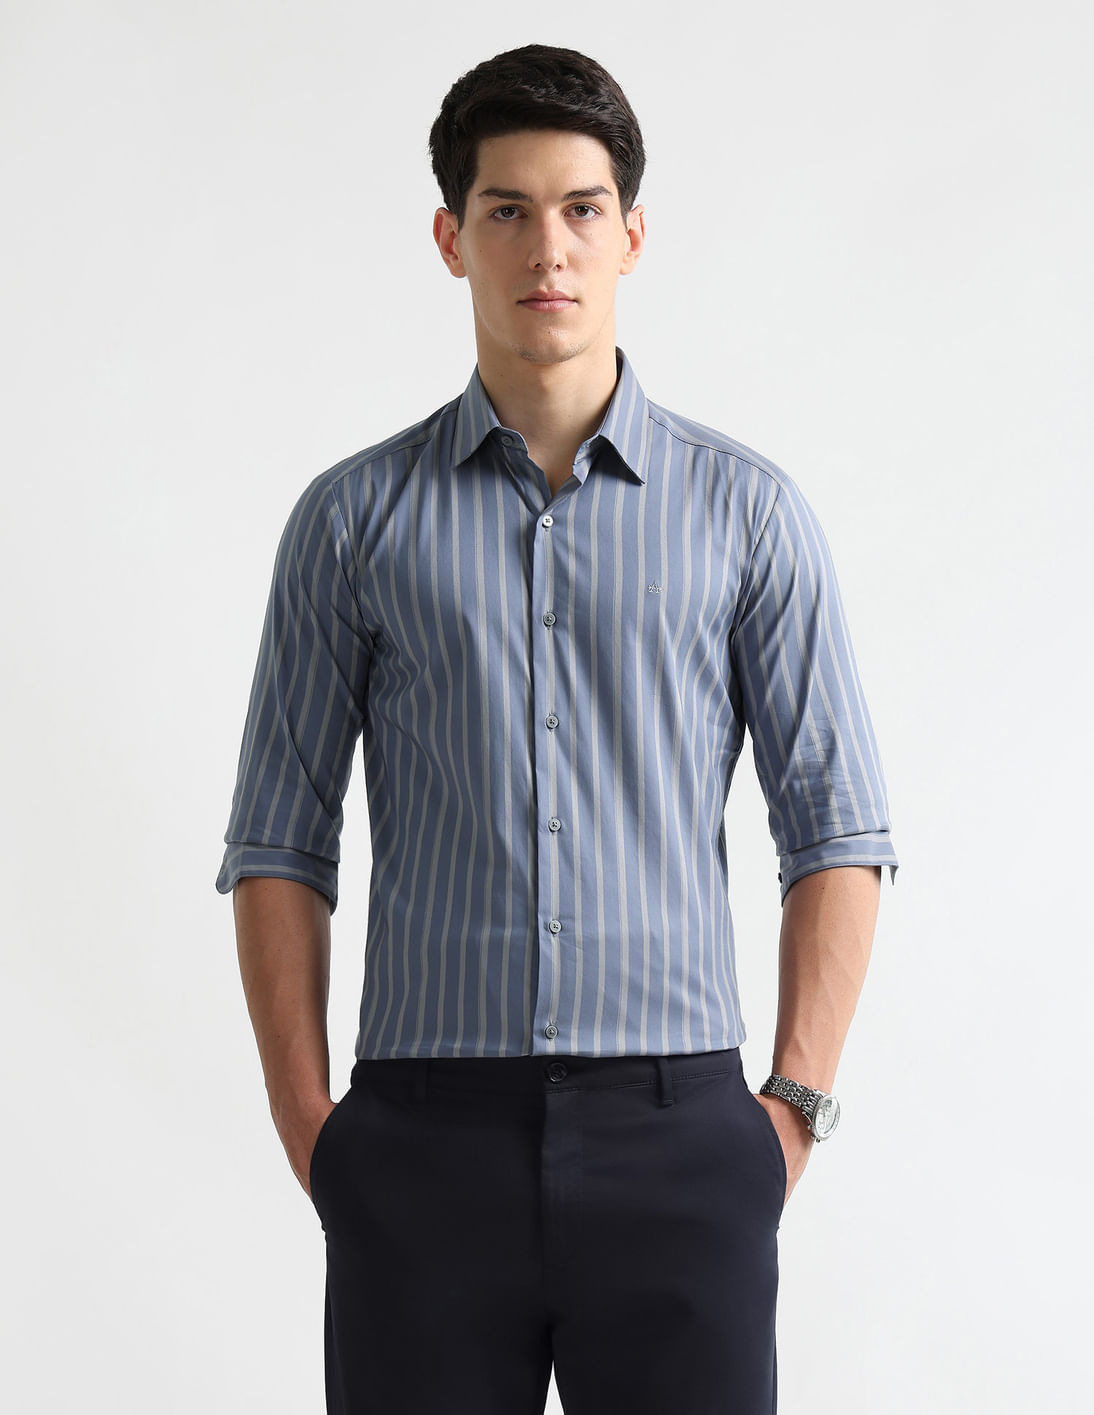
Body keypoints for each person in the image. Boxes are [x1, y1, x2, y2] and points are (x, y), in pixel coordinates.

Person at [215, 42, 899, 1415]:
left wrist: (789, 1112)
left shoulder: (746, 515)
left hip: (682, 1141)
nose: (549, 248)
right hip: (421, 1144)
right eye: (508, 210)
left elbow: (837, 828)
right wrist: (314, 1130)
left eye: (582, 208)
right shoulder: (351, 522)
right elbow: (280, 840)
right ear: (450, 239)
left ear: (631, 234)